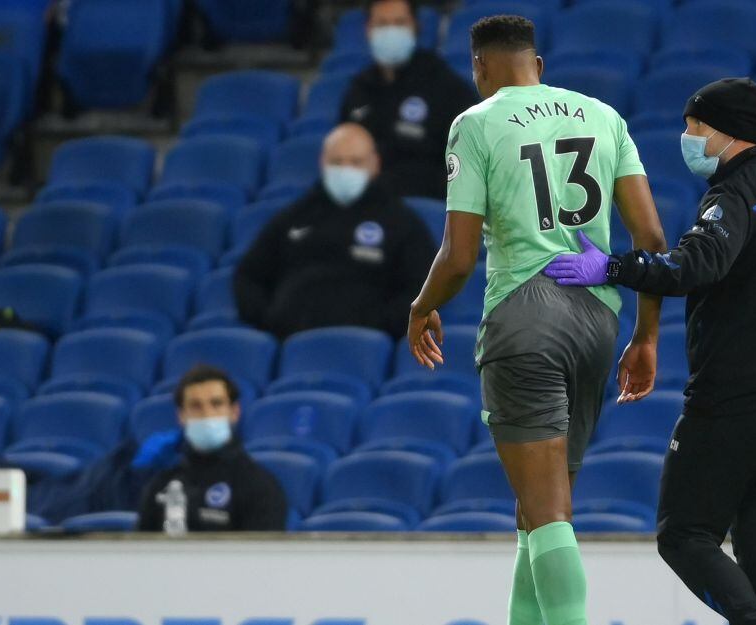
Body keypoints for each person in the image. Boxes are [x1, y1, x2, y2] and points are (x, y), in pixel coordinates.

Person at [545, 77, 756, 625]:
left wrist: (612, 267)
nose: (688, 137)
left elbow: (691, 266)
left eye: (695, 126)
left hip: (736, 403)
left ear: (727, 131)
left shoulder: (736, 195)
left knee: (683, 534)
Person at [406, 16, 666, 625]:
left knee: (547, 511)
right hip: (598, 318)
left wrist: (421, 307)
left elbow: (459, 256)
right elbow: (652, 239)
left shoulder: (475, 123)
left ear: (480, 68)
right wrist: (646, 336)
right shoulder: (603, 116)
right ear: (538, 65)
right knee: (535, 510)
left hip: (525, 315)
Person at [234, 122, 435, 339]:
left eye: (356, 162)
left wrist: (382, 326)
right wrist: (271, 320)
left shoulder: (401, 222)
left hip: (362, 343)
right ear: (323, 163)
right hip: (292, 340)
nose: (345, 170)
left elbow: (424, 285)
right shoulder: (294, 217)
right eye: (337, 162)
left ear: (375, 164)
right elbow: (248, 276)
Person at [338, 0, 479, 199]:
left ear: (415, 27)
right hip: (366, 203)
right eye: (382, 24)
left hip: (426, 204)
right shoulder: (358, 90)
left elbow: (468, 166)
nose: (390, 31)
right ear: (368, 30)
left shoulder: (447, 88)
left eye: (399, 23)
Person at [137, 365, 287, 532]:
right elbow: (140, 546)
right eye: (196, 406)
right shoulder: (161, 485)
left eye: (216, 404)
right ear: (181, 416)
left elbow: (262, 549)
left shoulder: (260, 487)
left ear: (234, 412)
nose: (207, 414)